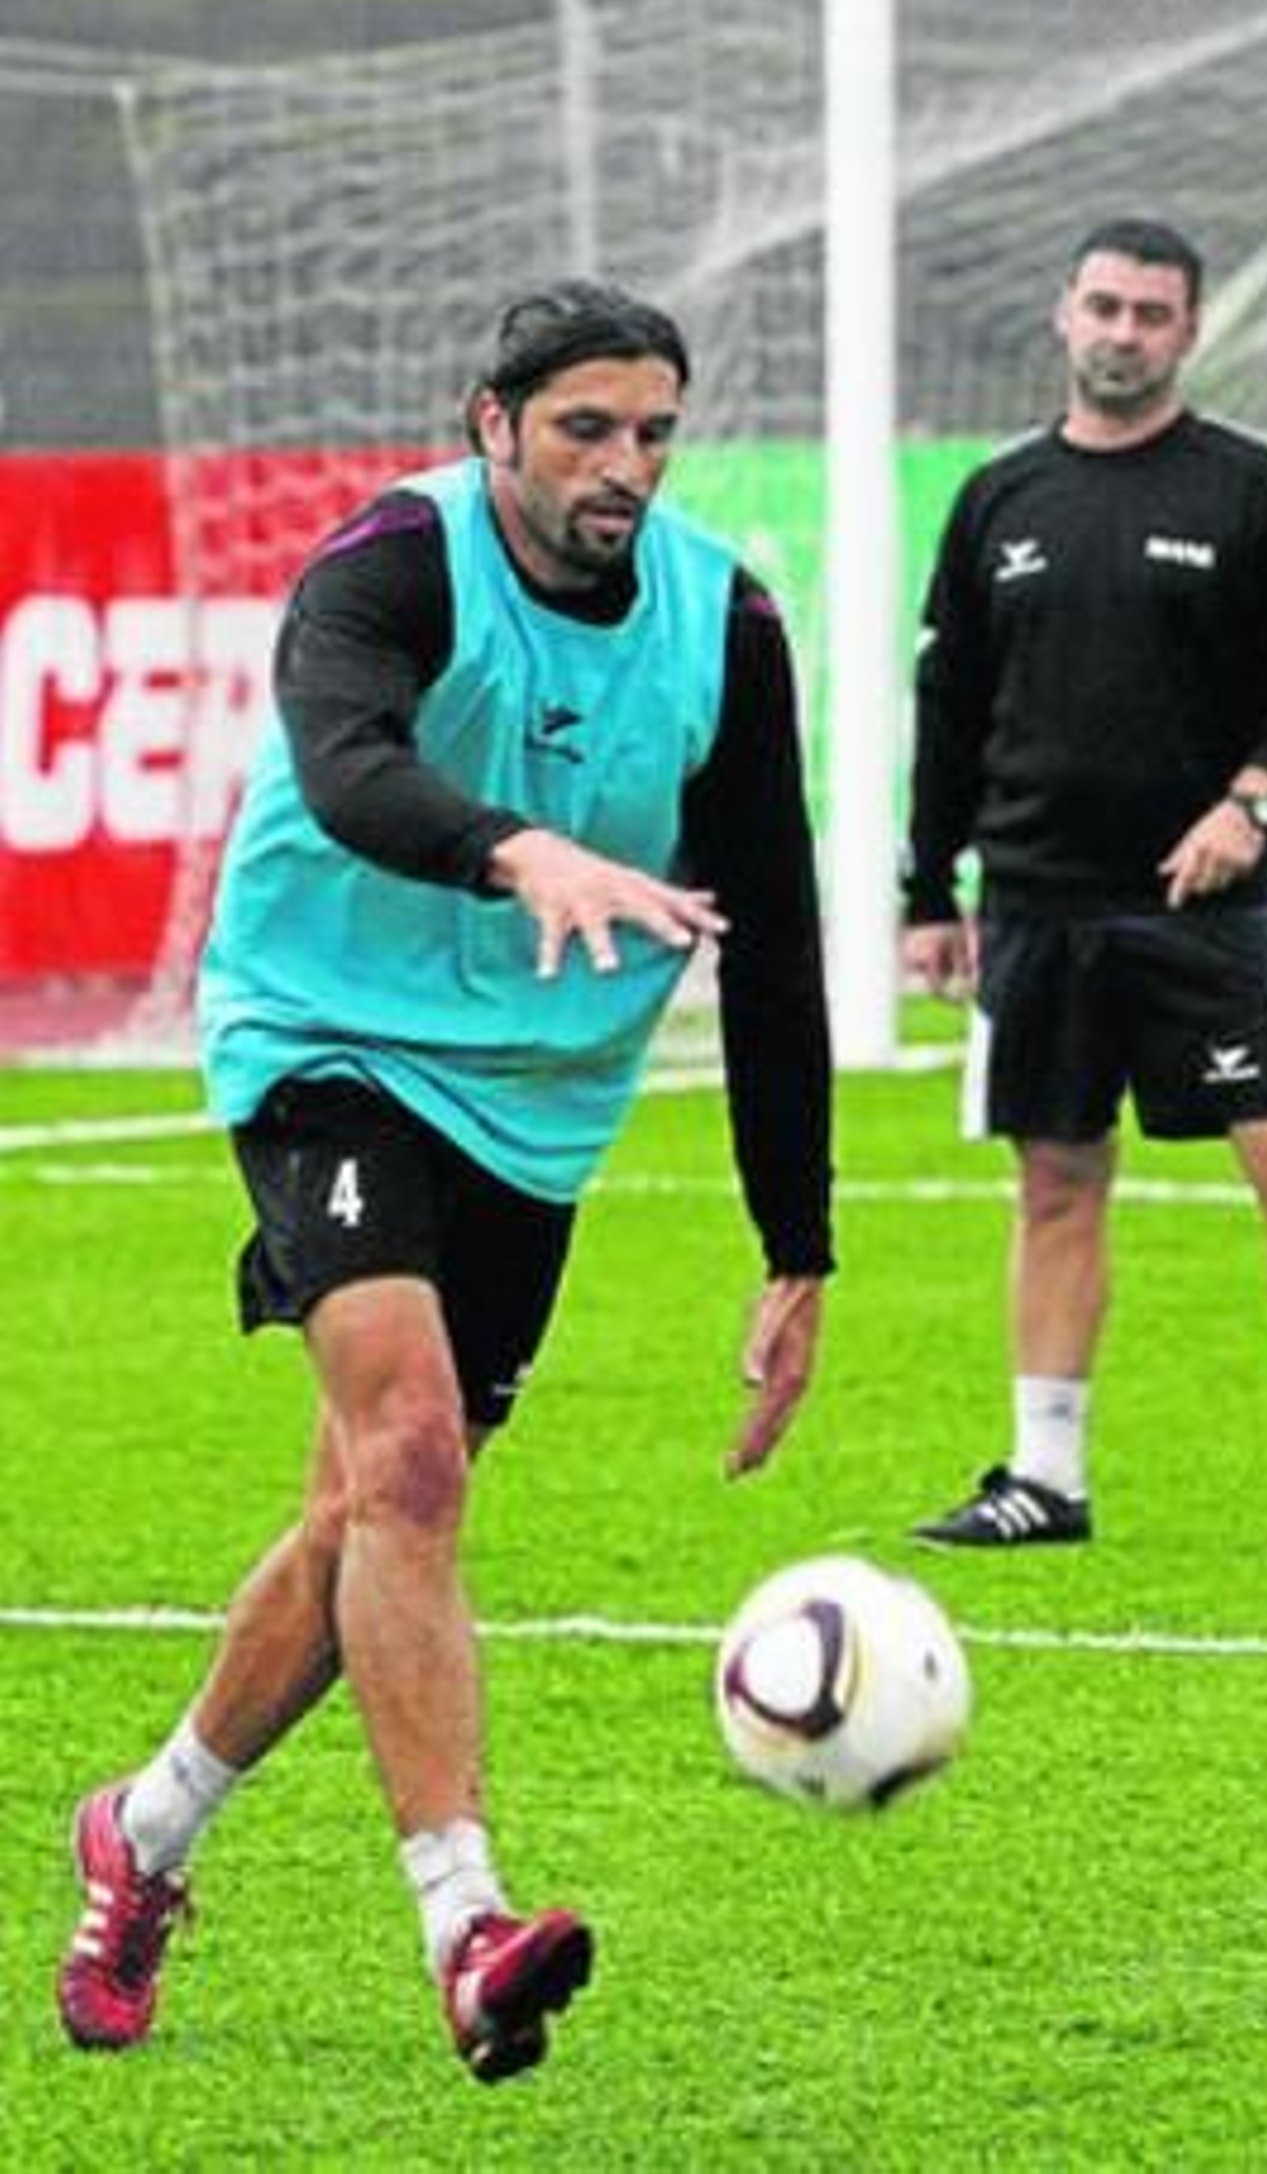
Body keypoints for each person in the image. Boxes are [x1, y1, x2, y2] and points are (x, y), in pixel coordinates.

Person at [56, 280, 834, 2081]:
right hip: (324, 1038)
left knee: (358, 1517)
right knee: (412, 1455)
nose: (623, 466)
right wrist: (516, 849)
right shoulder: (390, 565)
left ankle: (146, 1832)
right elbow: (345, 768)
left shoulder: (729, 621)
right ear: (492, 422)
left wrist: (799, 1244)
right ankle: (467, 1923)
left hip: (538, 1107)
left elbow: (776, 936)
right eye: (584, 428)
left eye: (652, 431)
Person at [903, 217, 1267, 1553]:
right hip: (1039, 902)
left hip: (1207, 909)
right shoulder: (998, 501)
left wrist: (1250, 798)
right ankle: (1044, 1479)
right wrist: (927, 890)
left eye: (1150, 313)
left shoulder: (1247, 489)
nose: (1122, 332)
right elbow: (948, 705)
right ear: (1064, 313)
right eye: (1103, 305)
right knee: (1054, 1181)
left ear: (1189, 331)